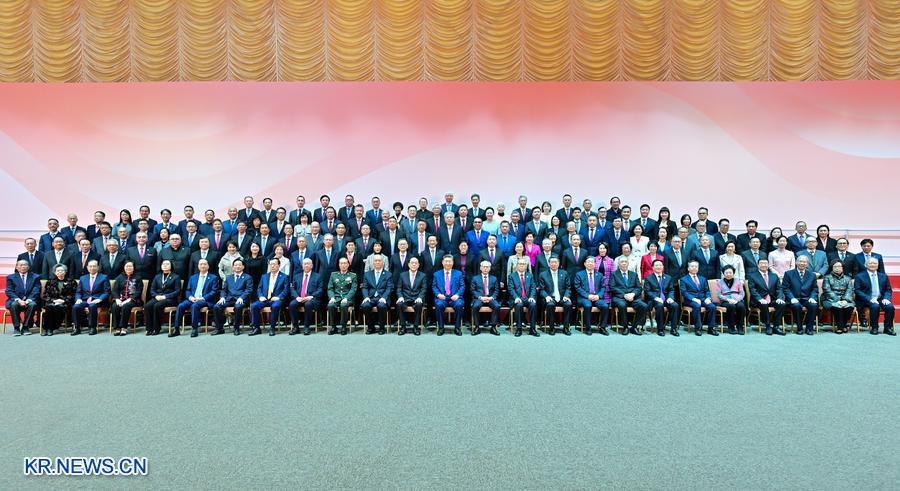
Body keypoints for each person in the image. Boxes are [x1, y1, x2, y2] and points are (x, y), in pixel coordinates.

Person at [172, 259, 219, 337]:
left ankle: (194, 328)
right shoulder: (193, 277)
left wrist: (202, 298)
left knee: (195, 305)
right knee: (180, 306)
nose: (203, 266)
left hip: (205, 300)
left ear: (208, 266)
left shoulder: (213, 278)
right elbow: (188, 290)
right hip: (193, 299)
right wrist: (190, 297)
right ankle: (176, 329)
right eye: (201, 264)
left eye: (204, 264)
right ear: (198, 266)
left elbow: (214, 291)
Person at [854, 257, 895, 336]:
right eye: (870, 263)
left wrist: (886, 298)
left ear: (878, 265)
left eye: (875, 263)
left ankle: (888, 328)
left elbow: (888, 289)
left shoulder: (883, 276)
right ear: (865, 265)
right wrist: (870, 299)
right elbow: (857, 291)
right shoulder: (859, 276)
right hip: (866, 299)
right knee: (875, 306)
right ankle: (874, 327)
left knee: (890, 307)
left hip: (880, 299)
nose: (873, 265)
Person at [212, 259, 253, 335]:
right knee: (216, 306)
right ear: (233, 267)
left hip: (241, 299)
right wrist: (222, 297)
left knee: (238, 307)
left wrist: (242, 297)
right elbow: (224, 290)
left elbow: (249, 290)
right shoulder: (228, 277)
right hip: (229, 299)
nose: (237, 267)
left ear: (243, 267)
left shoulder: (247, 277)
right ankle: (219, 328)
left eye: (239, 265)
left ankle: (236, 328)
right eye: (235, 265)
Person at [250, 258, 289, 336]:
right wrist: (260, 296)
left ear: (279, 265)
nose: (272, 266)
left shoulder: (284, 276)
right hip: (265, 299)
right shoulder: (264, 276)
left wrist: (279, 297)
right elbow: (259, 288)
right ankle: (257, 328)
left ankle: (272, 327)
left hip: (277, 299)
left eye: (274, 264)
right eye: (271, 264)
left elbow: (286, 289)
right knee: (254, 306)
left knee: (275, 306)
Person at [609, 256, 647, 335]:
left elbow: (639, 287)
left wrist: (633, 294)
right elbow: (612, 287)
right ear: (618, 264)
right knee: (622, 305)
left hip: (633, 297)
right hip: (620, 297)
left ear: (628, 263)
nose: (624, 263)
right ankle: (625, 327)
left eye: (625, 262)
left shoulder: (634, 274)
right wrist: (624, 295)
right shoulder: (614, 274)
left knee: (643, 306)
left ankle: (634, 327)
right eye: (622, 262)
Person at [747, 258, 785, 335]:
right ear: (758, 265)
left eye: (765, 263)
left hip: (772, 299)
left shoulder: (774, 276)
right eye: (761, 263)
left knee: (781, 304)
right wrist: (760, 299)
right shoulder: (752, 276)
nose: (764, 265)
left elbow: (779, 288)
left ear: (768, 265)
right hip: (758, 300)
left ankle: (776, 326)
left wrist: (779, 298)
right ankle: (768, 326)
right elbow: (752, 290)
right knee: (764, 304)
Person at [71, 260, 110, 336]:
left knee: (92, 306)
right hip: (85, 300)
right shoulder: (83, 278)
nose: (92, 268)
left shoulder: (104, 277)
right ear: (87, 267)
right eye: (90, 266)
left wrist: (100, 299)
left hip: (98, 300)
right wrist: (78, 298)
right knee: (76, 306)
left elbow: (107, 292)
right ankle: (77, 328)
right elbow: (78, 292)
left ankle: (92, 327)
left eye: (94, 266)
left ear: (98, 267)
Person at [782, 256, 819, 335]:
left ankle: (809, 328)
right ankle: (799, 328)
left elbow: (815, 289)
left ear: (807, 264)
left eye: (804, 262)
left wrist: (812, 297)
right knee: (796, 306)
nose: (802, 263)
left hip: (807, 298)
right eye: (800, 261)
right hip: (794, 298)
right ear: (796, 262)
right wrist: (791, 298)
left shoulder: (812, 275)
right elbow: (785, 288)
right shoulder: (788, 273)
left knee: (813, 305)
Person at [143, 260, 181, 336]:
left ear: (171, 266)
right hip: (158, 297)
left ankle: (156, 328)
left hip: (170, 299)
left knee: (157, 306)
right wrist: (156, 296)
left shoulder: (176, 277)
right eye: (163, 264)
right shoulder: (157, 276)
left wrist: (165, 296)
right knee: (148, 305)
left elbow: (177, 291)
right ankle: (149, 329)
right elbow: (152, 289)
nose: (165, 265)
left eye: (167, 264)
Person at [643, 259, 679, 336]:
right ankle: (660, 329)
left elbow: (671, 290)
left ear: (663, 267)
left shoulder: (668, 277)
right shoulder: (648, 278)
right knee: (659, 305)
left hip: (666, 299)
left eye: (660, 265)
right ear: (653, 267)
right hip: (654, 300)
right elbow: (647, 291)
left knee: (675, 305)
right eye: (656, 265)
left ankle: (674, 329)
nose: (658, 267)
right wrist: (656, 298)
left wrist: (670, 298)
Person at [680, 260, 718, 335]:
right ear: (688, 268)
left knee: (712, 306)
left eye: (696, 266)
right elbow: (684, 292)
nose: (694, 268)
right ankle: (698, 328)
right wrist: (694, 299)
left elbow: (707, 290)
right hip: (690, 300)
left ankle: (711, 328)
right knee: (697, 306)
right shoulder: (684, 279)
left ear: (698, 268)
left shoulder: (703, 278)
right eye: (692, 266)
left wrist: (708, 298)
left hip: (703, 299)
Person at [574, 256, 609, 336]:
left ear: (595, 264)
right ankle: (588, 328)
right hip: (584, 297)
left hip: (596, 297)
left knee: (605, 306)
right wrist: (588, 296)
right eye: (588, 262)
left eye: (592, 262)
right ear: (585, 264)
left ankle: (602, 327)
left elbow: (603, 287)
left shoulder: (599, 275)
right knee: (588, 305)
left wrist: (598, 296)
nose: (590, 263)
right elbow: (578, 287)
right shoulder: (579, 274)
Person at [5, 259, 41, 335]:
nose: (23, 267)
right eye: (21, 265)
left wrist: (29, 299)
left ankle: (25, 327)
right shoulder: (11, 277)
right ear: (17, 267)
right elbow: (9, 291)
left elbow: (36, 290)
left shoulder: (35, 277)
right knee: (14, 304)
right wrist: (18, 300)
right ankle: (16, 328)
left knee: (32, 304)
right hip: (16, 299)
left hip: (30, 299)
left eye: (25, 265)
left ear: (28, 267)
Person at [433, 255, 465, 336]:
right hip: (442, 298)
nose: (448, 263)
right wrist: (438, 294)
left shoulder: (458, 273)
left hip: (455, 298)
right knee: (439, 304)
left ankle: (457, 327)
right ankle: (441, 327)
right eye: (446, 261)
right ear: (442, 262)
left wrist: (457, 295)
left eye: (449, 261)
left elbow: (462, 286)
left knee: (459, 304)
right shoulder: (437, 274)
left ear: (453, 263)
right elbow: (434, 286)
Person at [41, 263, 76, 335]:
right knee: (49, 307)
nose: (60, 272)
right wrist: (54, 300)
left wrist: (63, 300)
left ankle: (50, 328)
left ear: (65, 272)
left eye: (62, 270)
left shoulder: (71, 281)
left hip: (65, 303)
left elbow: (74, 294)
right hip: (52, 302)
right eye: (58, 271)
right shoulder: (50, 281)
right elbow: (45, 295)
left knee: (58, 307)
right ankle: (46, 328)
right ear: (55, 272)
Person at [361, 255, 392, 335]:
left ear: (382, 262)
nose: (377, 262)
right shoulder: (367, 274)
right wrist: (366, 297)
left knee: (382, 306)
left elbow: (389, 288)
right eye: (376, 261)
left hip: (382, 297)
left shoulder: (388, 274)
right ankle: (371, 327)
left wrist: (384, 297)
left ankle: (382, 328)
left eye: (379, 260)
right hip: (371, 297)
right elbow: (364, 287)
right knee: (365, 305)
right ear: (373, 262)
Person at [110, 261, 143, 336]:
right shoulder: (119, 277)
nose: (128, 268)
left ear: (133, 268)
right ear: (124, 267)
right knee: (115, 306)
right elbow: (115, 290)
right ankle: (117, 328)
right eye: (127, 266)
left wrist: (129, 299)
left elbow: (139, 291)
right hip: (121, 299)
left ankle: (123, 327)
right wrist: (117, 299)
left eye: (130, 266)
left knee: (126, 306)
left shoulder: (138, 277)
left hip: (134, 300)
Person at [396, 257, 427, 336]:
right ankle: (403, 327)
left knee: (419, 305)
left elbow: (423, 289)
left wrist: (420, 297)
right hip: (405, 298)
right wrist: (400, 297)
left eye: (416, 263)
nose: (414, 264)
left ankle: (416, 327)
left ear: (418, 265)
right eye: (412, 263)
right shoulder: (402, 275)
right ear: (409, 264)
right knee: (399, 304)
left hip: (416, 298)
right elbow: (399, 288)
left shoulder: (422, 275)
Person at [508, 258, 538, 337]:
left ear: (526, 266)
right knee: (519, 305)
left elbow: (533, 287)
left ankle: (532, 329)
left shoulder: (530, 275)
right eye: (520, 264)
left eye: (523, 264)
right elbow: (511, 288)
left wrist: (531, 297)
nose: (522, 265)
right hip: (517, 298)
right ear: (517, 265)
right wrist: (516, 297)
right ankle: (519, 328)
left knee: (533, 305)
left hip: (527, 298)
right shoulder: (512, 275)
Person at [822, 260, 854, 334]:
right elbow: (827, 290)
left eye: (839, 266)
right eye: (835, 267)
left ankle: (844, 325)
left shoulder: (848, 278)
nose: (837, 268)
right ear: (832, 268)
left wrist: (845, 300)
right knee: (837, 306)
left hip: (845, 299)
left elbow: (849, 290)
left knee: (849, 306)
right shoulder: (827, 277)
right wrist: (837, 300)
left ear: (843, 268)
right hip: (829, 299)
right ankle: (840, 327)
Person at [327, 257, 357, 335]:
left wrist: (346, 298)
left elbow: (353, 289)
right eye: (341, 263)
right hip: (336, 297)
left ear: (348, 265)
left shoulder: (353, 275)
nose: (343, 265)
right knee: (330, 305)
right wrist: (332, 297)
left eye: (345, 263)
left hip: (348, 298)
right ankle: (333, 326)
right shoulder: (333, 275)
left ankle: (344, 326)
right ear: (339, 265)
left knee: (343, 305)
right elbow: (330, 288)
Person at [471, 261, 500, 335]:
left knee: (497, 306)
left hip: (490, 298)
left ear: (490, 268)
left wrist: (492, 297)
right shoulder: (475, 278)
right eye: (484, 267)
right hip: (479, 298)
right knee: (475, 306)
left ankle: (493, 327)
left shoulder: (494, 278)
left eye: (487, 267)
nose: (485, 268)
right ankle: (477, 327)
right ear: (480, 268)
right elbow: (473, 290)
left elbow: (496, 290)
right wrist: (480, 297)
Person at [715, 265, 746, 335]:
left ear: (733, 273)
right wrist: (727, 299)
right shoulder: (719, 282)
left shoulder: (738, 281)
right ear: (723, 273)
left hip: (737, 299)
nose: (728, 274)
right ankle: (731, 327)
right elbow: (718, 294)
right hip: (725, 301)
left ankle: (740, 327)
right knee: (731, 306)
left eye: (730, 273)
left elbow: (742, 293)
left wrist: (737, 300)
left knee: (741, 306)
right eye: (726, 273)